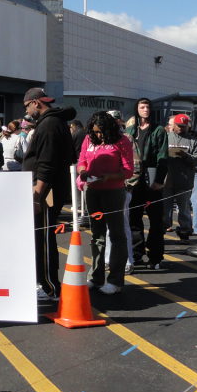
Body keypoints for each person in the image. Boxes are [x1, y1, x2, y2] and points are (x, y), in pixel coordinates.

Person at [20, 87, 76, 302]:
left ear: (36, 102)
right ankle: (43, 282)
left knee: (43, 239)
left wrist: (37, 195)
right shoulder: (52, 122)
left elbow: (47, 163)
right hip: (46, 190)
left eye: (27, 106)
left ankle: (49, 286)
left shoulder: (50, 124)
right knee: (39, 238)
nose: (27, 111)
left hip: (45, 192)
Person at [76, 111, 133, 295]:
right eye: (95, 132)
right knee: (97, 235)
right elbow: (81, 161)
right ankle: (96, 276)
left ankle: (115, 280)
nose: (99, 135)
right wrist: (83, 171)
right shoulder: (88, 139)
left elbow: (128, 170)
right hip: (93, 190)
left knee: (116, 235)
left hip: (113, 191)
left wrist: (109, 177)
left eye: (101, 132)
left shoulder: (122, 141)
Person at [124, 98, 167, 269]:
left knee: (156, 219)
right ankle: (136, 253)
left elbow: (163, 157)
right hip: (134, 179)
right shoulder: (130, 130)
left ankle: (155, 256)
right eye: (142, 107)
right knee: (134, 218)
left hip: (152, 176)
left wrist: (159, 180)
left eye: (148, 107)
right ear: (137, 109)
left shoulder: (158, 130)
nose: (146, 109)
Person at [163, 114, 197, 250]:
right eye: (179, 126)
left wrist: (186, 156)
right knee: (165, 209)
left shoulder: (193, 140)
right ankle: (161, 232)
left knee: (184, 209)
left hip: (185, 179)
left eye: (184, 126)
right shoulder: (166, 137)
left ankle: (185, 233)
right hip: (166, 179)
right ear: (173, 125)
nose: (181, 128)